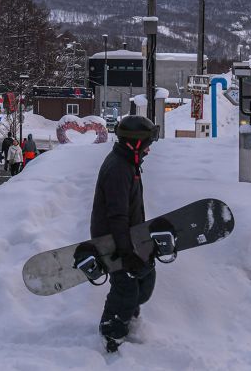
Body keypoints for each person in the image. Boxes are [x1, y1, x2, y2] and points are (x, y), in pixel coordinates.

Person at [91, 114, 157, 350]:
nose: (149, 150)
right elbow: (117, 216)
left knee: (145, 278)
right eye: (148, 143)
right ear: (135, 142)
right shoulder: (119, 168)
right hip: (113, 240)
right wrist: (126, 252)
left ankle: (128, 320)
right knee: (126, 286)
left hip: (128, 236)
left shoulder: (130, 163)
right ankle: (111, 336)